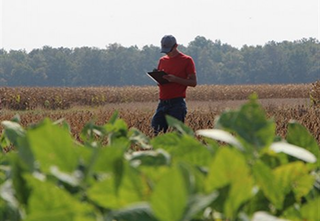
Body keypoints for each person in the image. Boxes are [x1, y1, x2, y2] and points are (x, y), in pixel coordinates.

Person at [151, 35, 197, 135]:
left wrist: (175, 79)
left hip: (177, 103)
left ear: (176, 46)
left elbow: (193, 83)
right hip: (162, 102)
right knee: (155, 132)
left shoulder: (187, 60)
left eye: (169, 50)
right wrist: (159, 78)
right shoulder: (162, 61)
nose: (167, 52)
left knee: (177, 135)